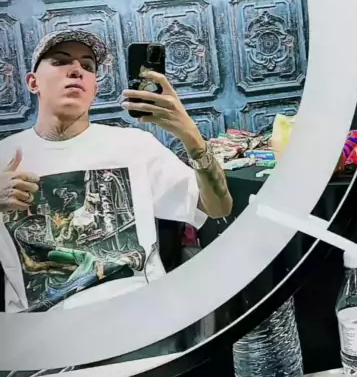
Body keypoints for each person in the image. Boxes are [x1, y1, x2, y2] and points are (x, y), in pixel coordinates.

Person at [0, 29, 232, 313]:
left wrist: (193, 139)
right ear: (33, 82)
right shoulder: (4, 157)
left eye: (88, 67)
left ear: (94, 88)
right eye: (60, 61)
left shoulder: (134, 145)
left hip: (141, 317)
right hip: (42, 328)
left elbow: (219, 207)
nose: (76, 70)